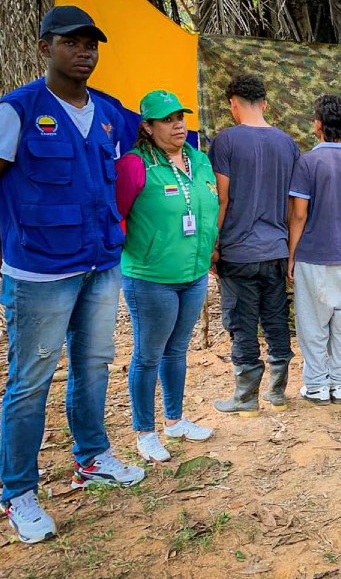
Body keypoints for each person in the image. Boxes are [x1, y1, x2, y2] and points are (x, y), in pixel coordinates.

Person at [0, 6, 145, 544]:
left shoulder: (108, 112)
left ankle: (92, 457)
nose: (84, 52)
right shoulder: (17, 111)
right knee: (30, 382)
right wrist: (2, 253)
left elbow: (158, 134)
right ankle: (18, 493)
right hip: (40, 273)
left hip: (100, 264)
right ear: (45, 48)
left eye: (91, 44)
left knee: (94, 365)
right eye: (71, 42)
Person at [115, 90, 219, 462]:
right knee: (148, 355)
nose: (178, 125)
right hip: (151, 277)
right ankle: (145, 432)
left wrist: (210, 249)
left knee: (176, 351)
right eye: (167, 119)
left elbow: (210, 206)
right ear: (147, 126)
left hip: (193, 273)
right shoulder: (135, 164)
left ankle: (174, 420)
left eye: (180, 117)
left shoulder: (199, 160)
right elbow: (115, 214)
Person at [210, 75, 299, 415]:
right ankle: (277, 394)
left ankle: (246, 397)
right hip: (276, 249)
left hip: (238, 252)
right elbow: (294, 204)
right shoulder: (287, 144)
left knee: (242, 323)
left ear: (233, 104)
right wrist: (290, 248)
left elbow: (222, 198)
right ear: (264, 103)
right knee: (276, 319)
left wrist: (213, 244)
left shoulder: (225, 141)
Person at [288, 95, 341, 404]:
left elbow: (299, 215)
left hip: (312, 255)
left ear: (318, 125)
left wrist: (292, 255)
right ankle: (339, 383)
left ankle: (316, 385)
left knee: (313, 324)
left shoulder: (307, 162)